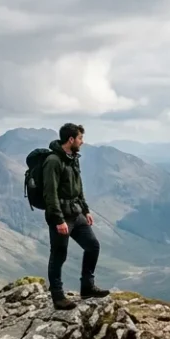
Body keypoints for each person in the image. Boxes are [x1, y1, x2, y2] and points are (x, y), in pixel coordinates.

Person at [42, 122, 108, 309]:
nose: (82, 142)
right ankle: (58, 297)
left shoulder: (73, 158)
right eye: (80, 138)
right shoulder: (54, 161)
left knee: (93, 246)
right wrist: (58, 220)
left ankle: (87, 287)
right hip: (61, 217)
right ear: (71, 139)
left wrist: (85, 210)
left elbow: (78, 188)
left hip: (76, 213)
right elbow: (50, 193)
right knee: (58, 255)